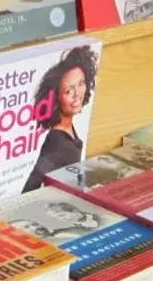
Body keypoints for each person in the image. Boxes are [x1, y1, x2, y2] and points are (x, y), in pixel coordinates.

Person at [23, 45, 99, 191]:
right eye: (68, 90)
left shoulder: (68, 127)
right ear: (55, 98)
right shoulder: (56, 141)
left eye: (81, 84)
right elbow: (33, 182)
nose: (77, 94)